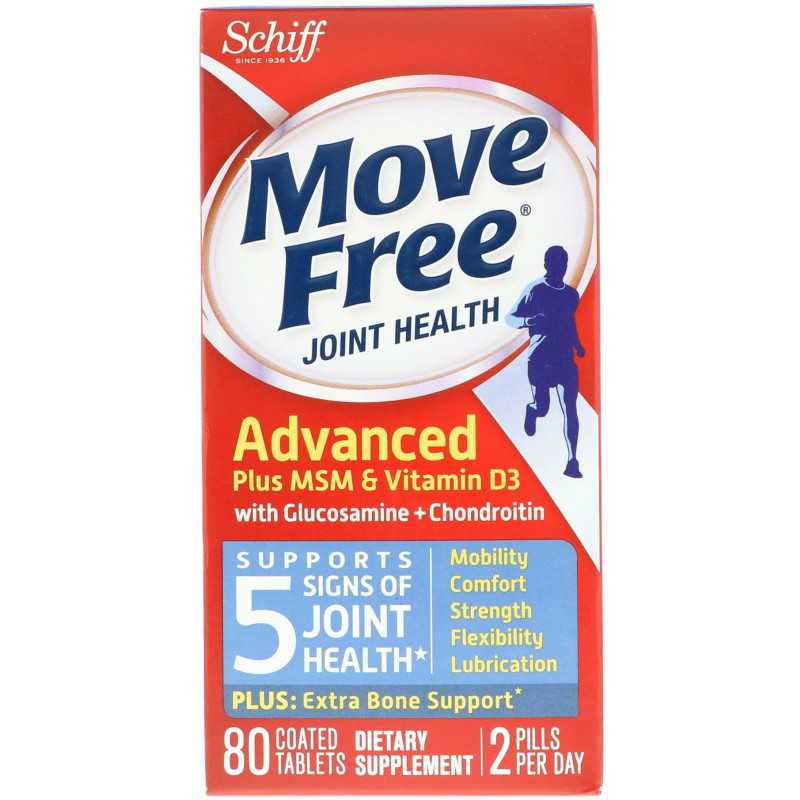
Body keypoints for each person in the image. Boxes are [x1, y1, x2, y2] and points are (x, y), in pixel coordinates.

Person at [505, 245, 585, 478]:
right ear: (547, 265)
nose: (560, 268)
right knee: (543, 408)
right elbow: (510, 318)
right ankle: (532, 410)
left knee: (570, 408)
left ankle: (572, 461)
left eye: (563, 263)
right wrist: (530, 320)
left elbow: (569, 322)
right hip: (540, 359)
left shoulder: (572, 295)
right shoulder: (535, 289)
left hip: (565, 360)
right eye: (556, 263)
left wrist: (578, 344)